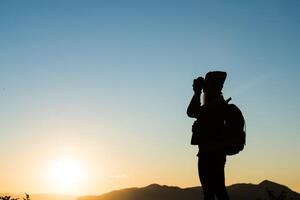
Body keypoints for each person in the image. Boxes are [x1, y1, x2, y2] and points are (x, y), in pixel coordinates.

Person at [187, 71, 230, 200]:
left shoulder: (215, 105)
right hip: (212, 154)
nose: (205, 88)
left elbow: (191, 111)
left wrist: (196, 92)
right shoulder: (216, 104)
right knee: (216, 190)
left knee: (213, 192)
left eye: (208, 84)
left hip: (210, 155)